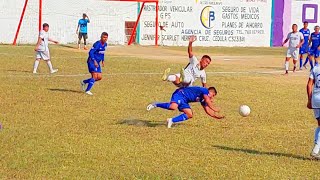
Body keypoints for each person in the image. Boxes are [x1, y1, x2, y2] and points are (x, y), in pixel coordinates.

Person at [147, 86, 224, 128]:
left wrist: (216, 116)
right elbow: (208, 100)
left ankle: (171, 120)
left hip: (184, 100)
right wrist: (215, 108)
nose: (212, 98)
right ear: (210, 91)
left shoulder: (203, 99)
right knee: (173, 106)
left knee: (189, 114)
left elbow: (207, 110)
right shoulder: (205, 90)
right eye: (212, 95)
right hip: (180, 93)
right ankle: (155, 104)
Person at [307, 65, 320, 159]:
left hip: (315, 99)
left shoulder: (315, 68)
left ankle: (316, 150)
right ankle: (315, 151)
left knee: (319, 125)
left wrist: (309, 99)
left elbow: (309, 84)